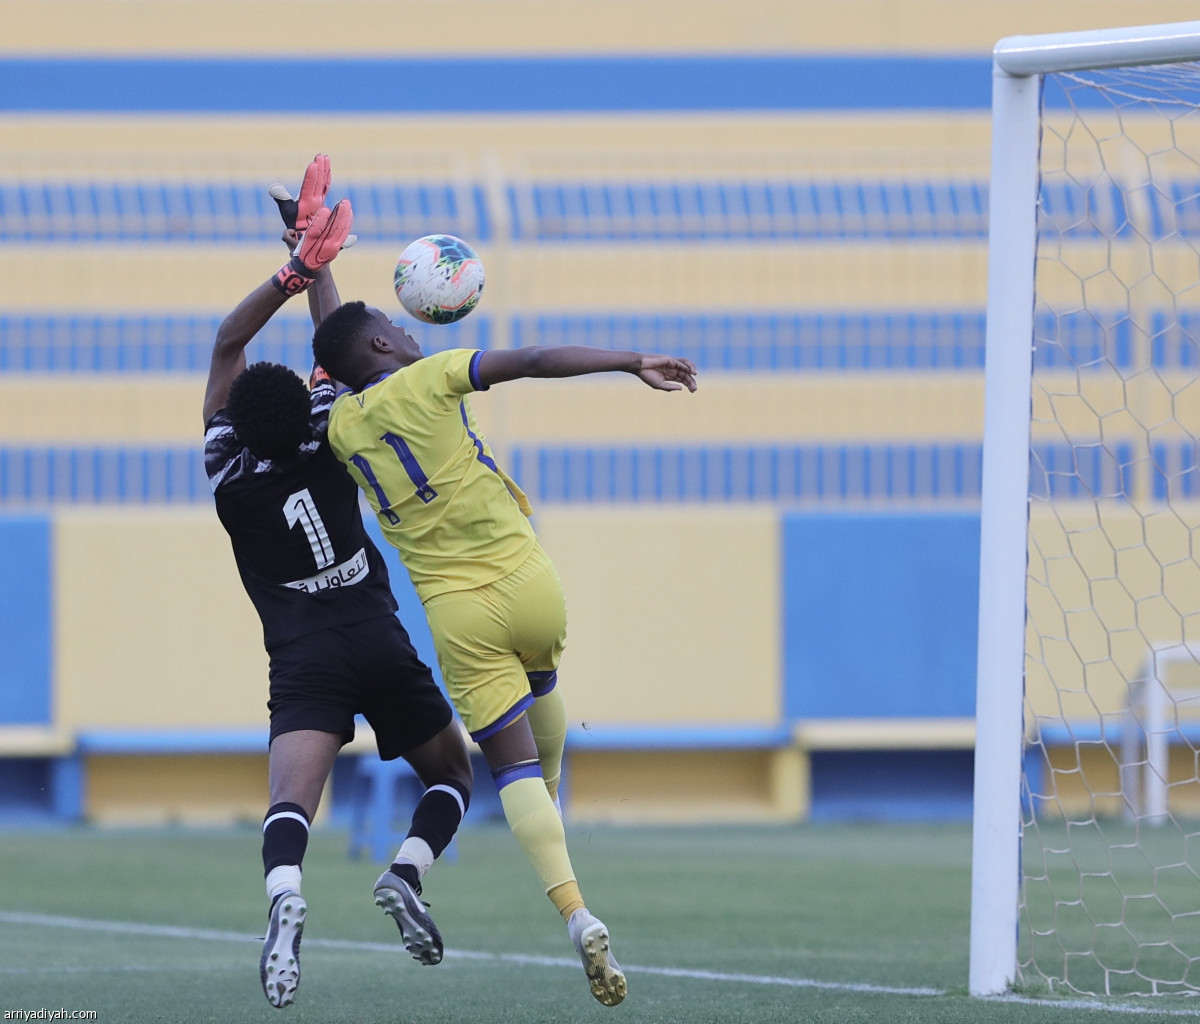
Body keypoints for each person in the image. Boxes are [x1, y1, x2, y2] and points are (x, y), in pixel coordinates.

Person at [311, 296, 698, 1008]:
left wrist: (314, 265)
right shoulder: (434, 377)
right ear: (382, 345)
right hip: (527, 582)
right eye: (395, 326)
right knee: (542, 695)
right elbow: (538, 360)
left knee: (509, 767)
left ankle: (576, 911)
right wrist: (633, 360)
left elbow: (334, 342)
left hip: (458, 615)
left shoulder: (338, 428)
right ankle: (552, 819)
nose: (406, 328)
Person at [202, 156, 473, 1010]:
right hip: (376, 638)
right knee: (452, 778)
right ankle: (406, 872)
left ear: (237, 422)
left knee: (291, 805)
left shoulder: (226, 470)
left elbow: (227, 343)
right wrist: (314, 266)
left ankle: (286, 895)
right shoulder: (331, 430)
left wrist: (293, 267)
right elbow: (338, 343)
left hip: (304, 658)